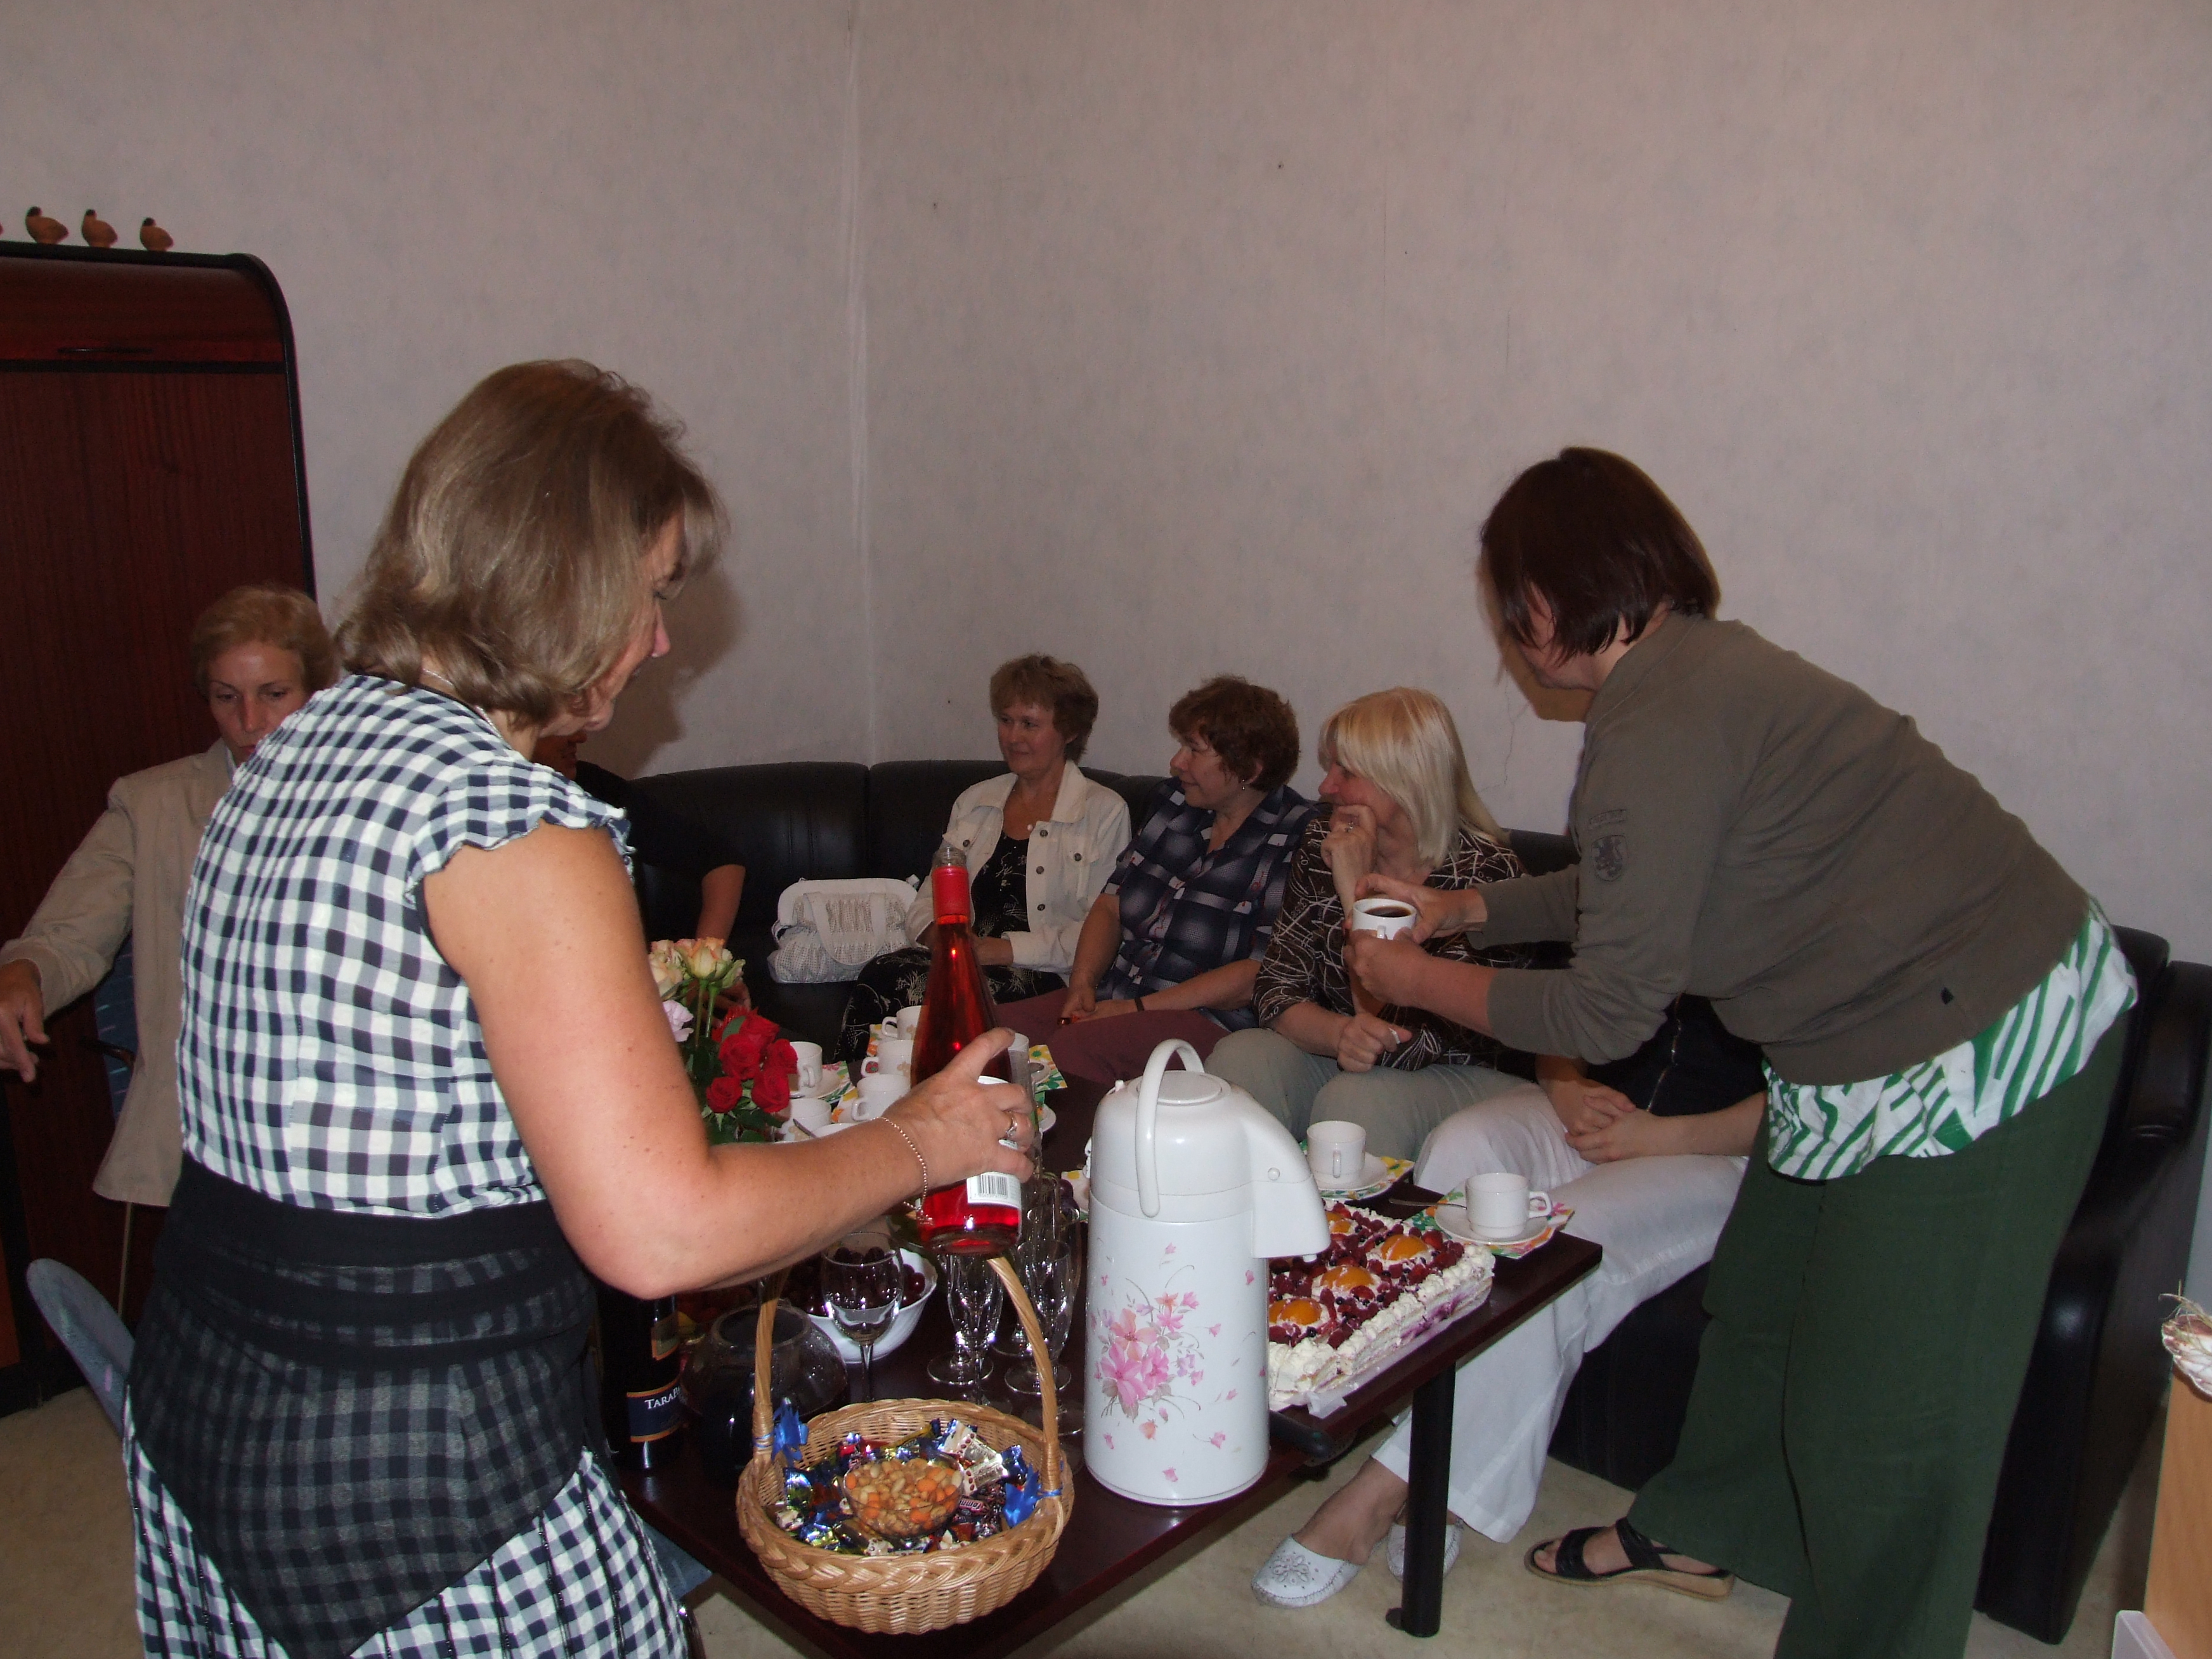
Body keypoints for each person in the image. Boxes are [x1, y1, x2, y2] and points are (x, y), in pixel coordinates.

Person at [124, 361, 1032, 1659]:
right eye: (651, 593)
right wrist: (920, 1140)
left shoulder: (294, 752)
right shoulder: (514, 825)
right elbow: (665, 1233)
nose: (660, 639)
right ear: (562, 580)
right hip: (418, 1473)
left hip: (208, 1412)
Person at [1344, 448, 2134, 1656]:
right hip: (1848, 1055)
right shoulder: (1677, 684)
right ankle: (1706, 1529)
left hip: (1983, 1037)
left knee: (1881, 1426)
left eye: (1508, 601)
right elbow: (1632, 886)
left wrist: (1412, 976)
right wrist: (1467, 911)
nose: (1508, 632)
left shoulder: (1664, 717)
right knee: (1761, 1300)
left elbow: (1606, 1011)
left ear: (1548, 595)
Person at [1252, 996, 1766, 1608]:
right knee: (1459, 1149)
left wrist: (1661, 1135)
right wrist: (1565, 1084)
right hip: (1593, 1109)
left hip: (1713, 1146)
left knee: (1563, 1247)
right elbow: (1561, 1000)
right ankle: (1433, 1439)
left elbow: (1808, 1099)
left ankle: (1383, 1495)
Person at [0, 584, 338, 1207]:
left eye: (274, 694)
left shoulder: (375, 802)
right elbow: (66, 940)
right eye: (226, 697)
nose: (250, 722)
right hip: (210, 1127)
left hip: (348, 1122)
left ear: (318, 693)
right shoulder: (151, 805)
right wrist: (23, 973)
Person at [1206, 688, 1536, 1162]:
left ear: (1403, 781)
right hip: (1350, 1054)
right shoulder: (1324, 841)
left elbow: (1408, 1043)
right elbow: (1276, 990)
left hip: (1461, 1072)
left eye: (1346, 772)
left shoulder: (1485, 873)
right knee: (1242, 1057)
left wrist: (1354, 894)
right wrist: (1341, 1035)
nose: (1326, 787)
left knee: (1358, 1103)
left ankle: (1358, 1215)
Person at [994, 675, 1312, 1084]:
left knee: (1073, 1051)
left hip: (1209, 1023)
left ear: (1248, 768)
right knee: (991, 1034)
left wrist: (1138, 1010)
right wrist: (1083, 985)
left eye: (1194, 750)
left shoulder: (1298, 836)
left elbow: (1259, 973)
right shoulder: (1175, 803)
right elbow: (1110, 904)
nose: (1177, 762)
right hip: (1116, 997)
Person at [838, 654, 1131, 1064]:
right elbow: (929, 898)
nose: (1013, 737)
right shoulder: (976, 802)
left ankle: (919, 1095)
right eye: (1006, 720)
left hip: (1044, 975)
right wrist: (941, 938)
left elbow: (1101, 927)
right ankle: (865, 1092)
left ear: (1069, 731)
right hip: (964, 961)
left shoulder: (1103, 812)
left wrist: (1001, 950)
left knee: (908, 988)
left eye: (1029, 724)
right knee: (881, 972)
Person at [534, 730, 746, 942]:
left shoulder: (594, 788)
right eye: (561, 726)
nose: (580, 737)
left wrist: (704, 956)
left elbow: (721, 859)